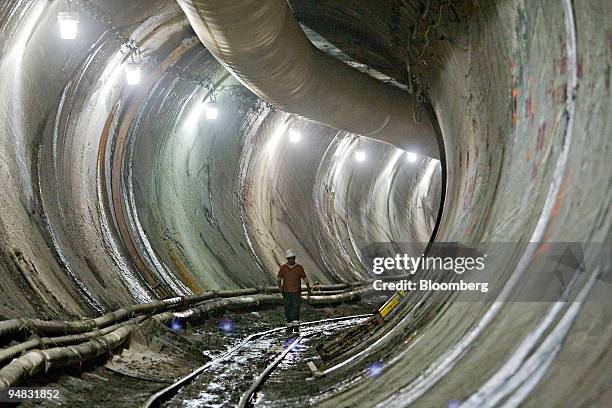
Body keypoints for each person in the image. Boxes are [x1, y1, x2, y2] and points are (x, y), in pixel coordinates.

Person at [277, 249, 311, 333]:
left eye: (291, 258)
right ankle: (290, 324)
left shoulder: (299, 268)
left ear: (294, 258)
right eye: (289, 258)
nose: (290, 260)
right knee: (288, 308)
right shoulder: (283, 268)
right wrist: (280, 287)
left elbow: (305, 278)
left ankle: (295, 325)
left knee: (295, 308)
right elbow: (279, 278)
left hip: (296, 292)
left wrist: (308, 288)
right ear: (287, 259)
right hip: (286, 292)